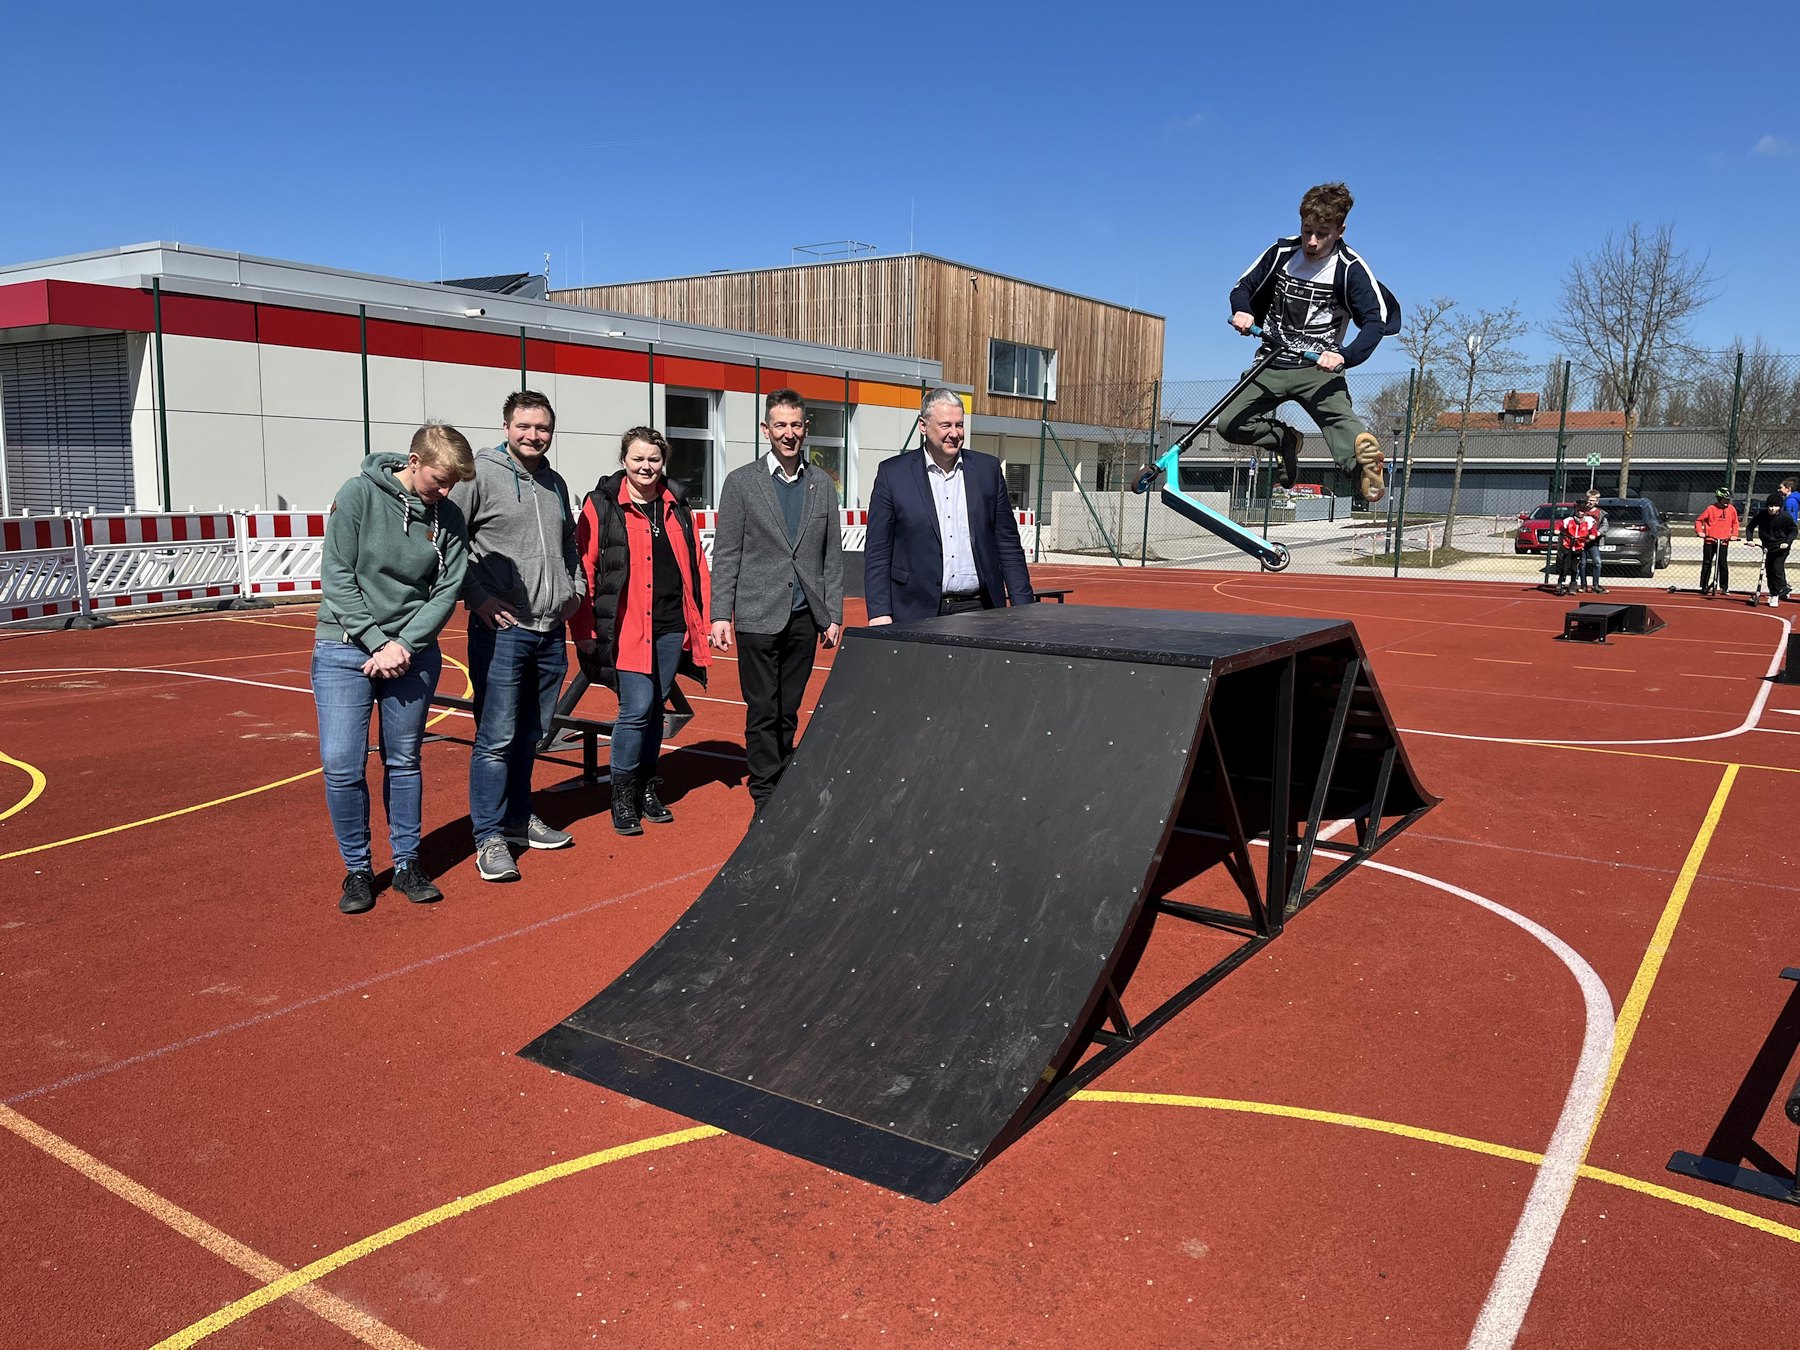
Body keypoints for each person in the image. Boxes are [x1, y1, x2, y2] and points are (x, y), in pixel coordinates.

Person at [313, 424, 474, 915]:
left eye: (452, 485)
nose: (444, 493)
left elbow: (447, 590)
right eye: (438, 480)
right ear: (412, 460)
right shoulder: (359, 494)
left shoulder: (447, 516)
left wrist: (403, 643)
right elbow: (337, 575)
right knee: (342, 766)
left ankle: (406, 862)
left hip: (411, 653)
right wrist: (378, 641)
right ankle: (359, 869)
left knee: (403, 762)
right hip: (344, 650)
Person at [448, 391, 586, 883]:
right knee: (496, 737)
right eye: (524, 426)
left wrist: (576, 588)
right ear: (506, 427)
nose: (533, 435)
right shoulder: (480, 475)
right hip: (503, 632)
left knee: (531, 733)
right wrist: (479, 596)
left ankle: (517, 818)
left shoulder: (554, 481)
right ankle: (488, 836)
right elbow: (448, 542)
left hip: (550, 631)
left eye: (542, 428)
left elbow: (569, 543)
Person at [1220, 182, 1400, 504]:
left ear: (1340, 230)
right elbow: (1242, 287)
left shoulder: (1351, 270)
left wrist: (1344, 356)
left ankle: (1363, 470)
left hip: (1318, 368)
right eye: (1307, 232)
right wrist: (1243, 311)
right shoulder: (1282, 253)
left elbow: (1375, 323)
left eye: (1323, 233)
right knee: (1229, 425)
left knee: (1339, 419)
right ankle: (1284, 439)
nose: (1312, 242)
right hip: (1271, 362)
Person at [571, 427, 712, 835]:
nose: (646, 466)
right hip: (627, 628)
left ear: (662, 461)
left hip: (671, 626)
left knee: (655, 709)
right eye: (637, 458)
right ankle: (622, 793)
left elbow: (697, 566)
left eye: (653, 459)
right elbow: (586, 570)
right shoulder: (601, 506)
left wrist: (702, 621)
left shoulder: (677, 505)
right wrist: (583, 628)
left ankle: (648, 786)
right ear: (623, 461)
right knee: (634, 709)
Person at [709, 389, 844, 812]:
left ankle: (781, 769)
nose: (789, 434)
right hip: (756, 613)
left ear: (806, 430)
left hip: (805, 615)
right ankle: (766, 791)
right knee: (763, 707)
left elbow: (831, 554)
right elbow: (727, 551)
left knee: (790, 707)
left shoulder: (822, 484)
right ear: (766, 430)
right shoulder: (741, 482)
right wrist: (719, 614)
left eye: (796, 425)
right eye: (780, 425)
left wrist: (833, 612)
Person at [865, 388, 1036, 624]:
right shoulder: (892, 474)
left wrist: (1023, 607)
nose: (954, 434)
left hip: (981, 608)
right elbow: (878, 550)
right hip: (915, 609)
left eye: (959, 425)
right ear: (923, 426)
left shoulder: (988, 470)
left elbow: (1007, 544)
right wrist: (879, 612)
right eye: (946, 425)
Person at [1751, 490, 1796, 604]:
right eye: (1770, 506)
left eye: (1775, 506)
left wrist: (1787, 542)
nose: (1772, 509)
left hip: (1781, 547)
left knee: (1777, 569)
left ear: (1780, 507)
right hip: (1768, 547)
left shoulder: (1785, 517)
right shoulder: (1762, 515)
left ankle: (1776, 594)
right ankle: (1773, 592)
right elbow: (1750, 527)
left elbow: (1793, 531)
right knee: (1769, 570)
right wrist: (1750, 539)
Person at [1695, 487, 1740, 597]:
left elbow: (1735, 523)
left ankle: (1724, 587)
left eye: (1728, 500)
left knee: (1722, 564)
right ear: (1719, 498)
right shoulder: (1711, 509)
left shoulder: (1731, 509)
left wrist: (1734, 535)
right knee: (1707, 562)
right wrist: (1700, 532)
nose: (1727, 502)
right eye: (1725, 499)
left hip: (1724, 540)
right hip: (1710, 540)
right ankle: (1704, 585)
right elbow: (1699, 520)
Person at [1553, 507, 1596, 597]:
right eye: (1579, 511)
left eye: (1582, 511)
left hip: (1578, 546)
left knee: (1574, 566)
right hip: (1567, 545)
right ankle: (1561, 581)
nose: (1580, 513)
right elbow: (1559, 525)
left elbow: (1593, 530)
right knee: (1565, 565)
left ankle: (1573, 583)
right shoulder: (1568, 520)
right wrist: (1557, 530)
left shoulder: (1589, 521)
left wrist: (1592, 535)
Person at [1578, 489, 1608, 594]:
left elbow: (1605, 526)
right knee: (1582, 563)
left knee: (1597, 563)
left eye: (1593, 500)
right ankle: (1583, 585)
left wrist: (1598, 533)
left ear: (1597, 501)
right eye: (1589, 500)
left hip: (1593, 542)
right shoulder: (1581, 511)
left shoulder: (1600, 513)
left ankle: (1595, 585)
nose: (1591, 502)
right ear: (1586, 499)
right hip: (1581, 542)